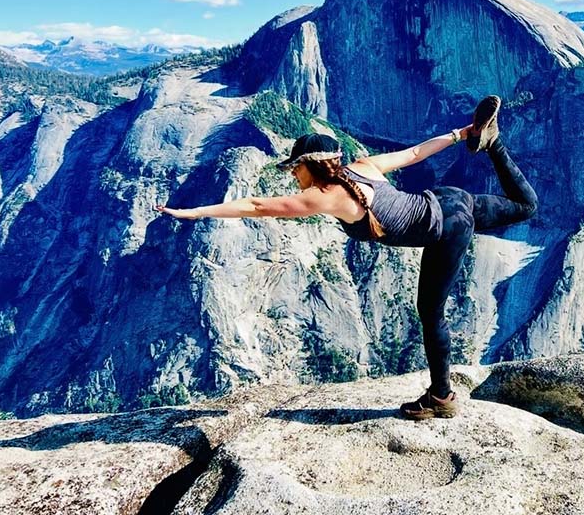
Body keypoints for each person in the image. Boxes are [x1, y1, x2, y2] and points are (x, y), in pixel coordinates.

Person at [155, 95, 538, 420]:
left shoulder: (325, 195)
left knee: (430, 313)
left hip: (446, 225)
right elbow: (417, 152)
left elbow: (256, 205)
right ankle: (492, 143)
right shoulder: (361, 167)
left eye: (295, 168)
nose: (293, 177)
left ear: (310, 165)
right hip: (449, 199)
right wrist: (461, 135)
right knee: (526, 206)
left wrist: (193, 212)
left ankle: (441, 398)